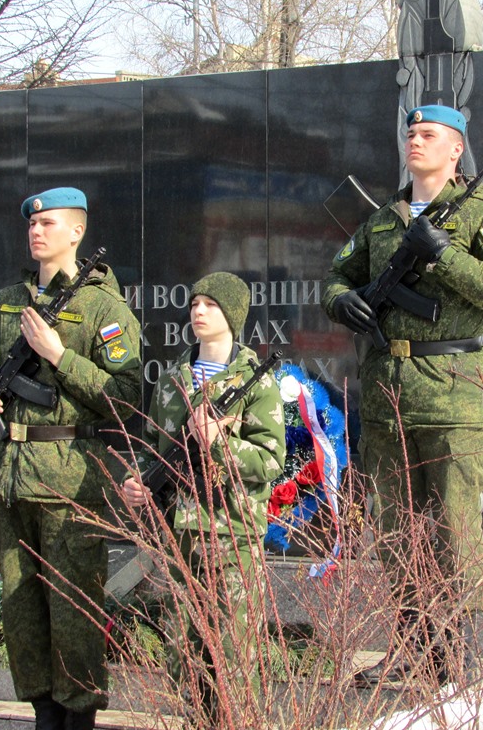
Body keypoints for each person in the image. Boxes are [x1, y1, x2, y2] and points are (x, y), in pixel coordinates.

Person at [322, 105, 483, 684]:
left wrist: (445, 255)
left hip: (451, 389)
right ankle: (415, 647)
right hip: (389, 390)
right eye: (410, 133)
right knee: (396, 526)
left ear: (456, 148)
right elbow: (337, 276)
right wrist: (341, 300)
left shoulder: (482, 216)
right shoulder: (385, 219)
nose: (415, 141)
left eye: (429, 135)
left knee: (454, 524)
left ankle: (460, 652)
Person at [0, 187, 143, 730]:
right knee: (23, 613)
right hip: (10, 477)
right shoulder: (7, 301)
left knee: (73, 615)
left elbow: (127, 397)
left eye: (49, 223)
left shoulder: (103, 307)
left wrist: (59, 357)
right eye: (32, 224)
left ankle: (77, 719)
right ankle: (43, 716)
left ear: (77, 233)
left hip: (68, 481)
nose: (37, 231)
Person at [121, 271, 285, 725]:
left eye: (211, 304)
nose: (198, 311)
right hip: (178, 538)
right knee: (183, 662)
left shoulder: (255, 380)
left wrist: (219, 442)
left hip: (229, 537)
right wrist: (138, 481)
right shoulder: (173, 377)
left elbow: (271, 462)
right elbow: (152, 446)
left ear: (232, 314)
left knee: (233, 661)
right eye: (194, 304)